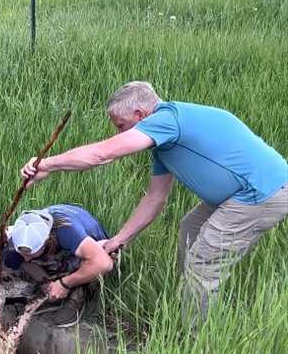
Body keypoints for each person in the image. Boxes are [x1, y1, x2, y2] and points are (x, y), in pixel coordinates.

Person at [20, 82, 287, 319]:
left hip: (259, 193)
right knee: (191, 230)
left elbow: (102, 154)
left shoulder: (167, 120)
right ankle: (192, 304)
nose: (120, 133)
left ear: (140, 115)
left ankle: (197, 341)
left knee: (204, 261)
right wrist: (116, 242)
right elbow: (154, 199)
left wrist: (46, 164)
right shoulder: (164, 144)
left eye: (121, 127)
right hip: (241, 193)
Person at [3, 205, 113, 314]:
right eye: (22, 253)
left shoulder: (68, 231)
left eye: (30, 254)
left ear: (46, 242)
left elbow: (104, 263)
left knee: (97, 258)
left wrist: (64, 284)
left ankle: (78, 293)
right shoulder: (19, 233)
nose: (26, 258)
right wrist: (46, 284)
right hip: (58, 248)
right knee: (12, 257)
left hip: (92, 245)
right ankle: (47, 285)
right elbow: (17, 256)